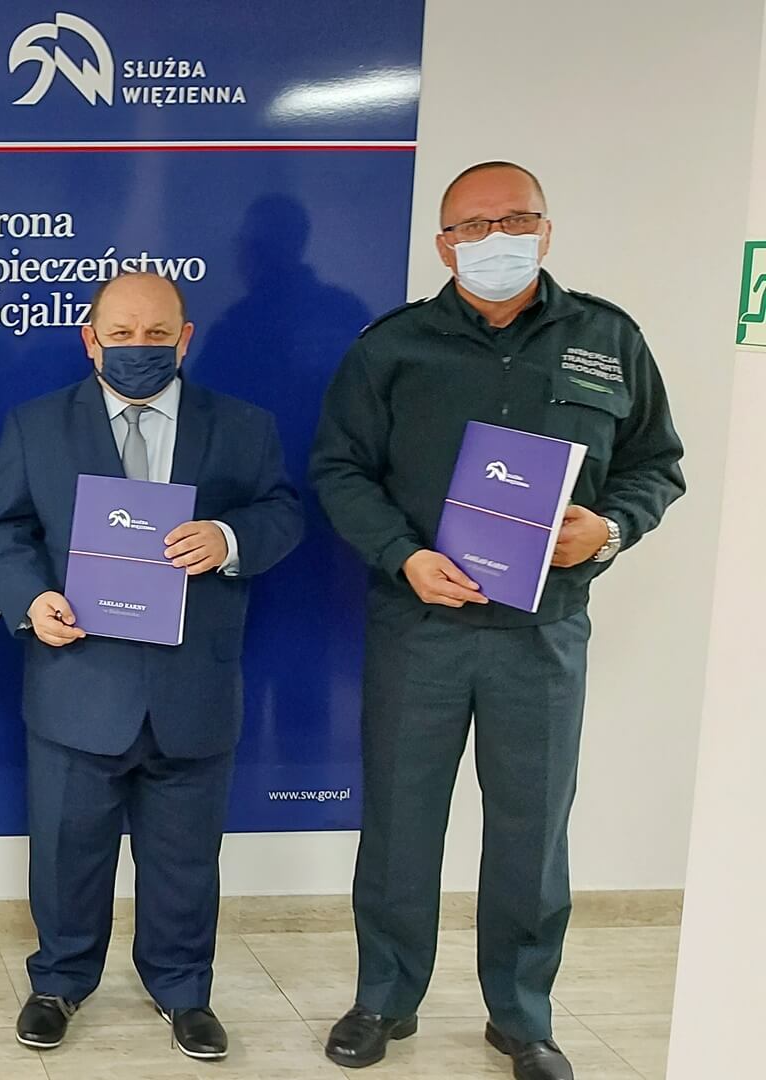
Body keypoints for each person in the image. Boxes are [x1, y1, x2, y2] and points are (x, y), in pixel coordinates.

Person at [310, 161, 685, 1080]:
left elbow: (656, 465)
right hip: (422, 626)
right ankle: (384, 999)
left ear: (545, 230)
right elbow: (339, 469)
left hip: (543, 634)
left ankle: (522, 1017)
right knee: (400, 824)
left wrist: (610, 528)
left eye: (514, 220)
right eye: (472, 228)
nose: (494, 240)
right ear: (444, 246)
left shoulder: (608, 338)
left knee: (532, 830)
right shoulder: (391, 347)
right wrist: (403, 555)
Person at [0, 272, 303, 1061]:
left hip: (194, 686)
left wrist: (228, 540)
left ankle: (184, 991)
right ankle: (58, 983)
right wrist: (32, 599)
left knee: (185, 861)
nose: (139, 348)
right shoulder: (36, 425)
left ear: (185, 339)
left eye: (157, 334)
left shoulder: (244, 427)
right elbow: (1, 531)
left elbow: (282, 513)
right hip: (78, 681)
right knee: (66, 854)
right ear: (90, 341)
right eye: (121, 334)